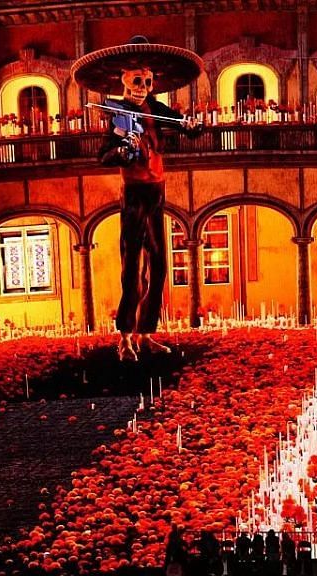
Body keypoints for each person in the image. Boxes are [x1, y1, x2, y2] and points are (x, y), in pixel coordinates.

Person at [71, 36, 206, 360]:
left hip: (157, 189)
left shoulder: (156, 108)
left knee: (159, 264)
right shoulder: (118, 114)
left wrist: (191, 126)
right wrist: (123, 149)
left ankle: (146, 334)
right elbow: (104, 156)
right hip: (134, 193)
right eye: (136, 81)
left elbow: (183, 127)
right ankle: (125, 338)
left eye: (146, 81)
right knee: (132, 265)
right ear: (123, 81)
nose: (142, 86)